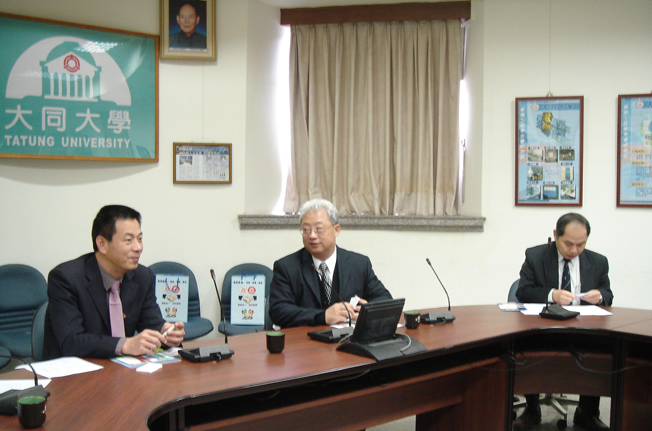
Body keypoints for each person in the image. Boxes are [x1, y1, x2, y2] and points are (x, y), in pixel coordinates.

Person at [43, 205, 185, 360]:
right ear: (102, 244)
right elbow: (72, 342)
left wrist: (166, 333)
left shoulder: (143, 277)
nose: (138, 247)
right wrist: (125, 345)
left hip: (121, 368)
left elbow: (152, 324)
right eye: (128, 240)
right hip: (75, 369)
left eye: (140, 239)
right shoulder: (66, 278)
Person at [513, 213, 613, 431]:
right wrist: (552, 295)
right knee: (525, 344)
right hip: (544, 326)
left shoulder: (598, 262)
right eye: (568, 243)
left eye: (581, 244)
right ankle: (532, 409)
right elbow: (523, 291)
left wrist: (600, 296)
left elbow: (608, 294)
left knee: (600, 349)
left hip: (583, 329)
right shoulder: (536, 256)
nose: (574, 250)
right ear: (555, 235)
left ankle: (587, 413)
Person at [269, 199, 392, 328]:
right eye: (306, 229)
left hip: (349, 338)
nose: (312, 235)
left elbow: (385, 299)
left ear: (336, 230)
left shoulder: (359, 264)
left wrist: (368, 311)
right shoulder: (286, 267)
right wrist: (322, 316)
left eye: (319, 229)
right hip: (305, 338)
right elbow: (278, 311)